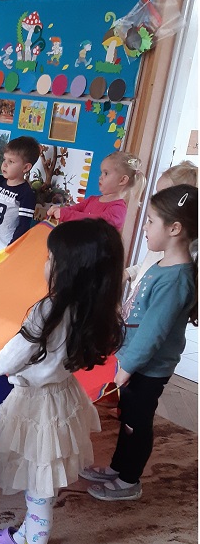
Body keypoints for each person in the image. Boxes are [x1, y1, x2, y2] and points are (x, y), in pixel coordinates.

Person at [0, 219, 125, 544]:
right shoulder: (93, 308)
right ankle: (25, 535)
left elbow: (14, 355)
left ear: (70, 269)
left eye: (50, 259)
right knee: (40, 484)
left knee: (40, 491)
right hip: (62, 399)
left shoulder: (49, 310)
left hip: (37, 407)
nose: (46, 264)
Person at [81, 184, 198, 502]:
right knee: (128, 419)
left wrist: (127, 367)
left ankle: (129, 480)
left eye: (150, 221)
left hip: (148, 369)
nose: (144, 227)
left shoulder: (176, 279)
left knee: (136, 422)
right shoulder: (163, 266)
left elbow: (153, 332)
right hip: (135, 362)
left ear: (174, 228)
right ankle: (118, 468)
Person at [124, 160, 197, 293]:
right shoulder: (162, 242)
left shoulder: (178, 260)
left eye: (163, 194)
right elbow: (149, 264)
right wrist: (128, 273)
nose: (157, 199)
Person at [47, 151, 146, 231]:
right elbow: (73, 209)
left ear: (122, 180)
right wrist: (59, 210)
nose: (100, 177)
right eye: (101, 172)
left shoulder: (118, 209)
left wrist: (65, 214)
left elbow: (97, 223)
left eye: (106, 173)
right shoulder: (92, 200)